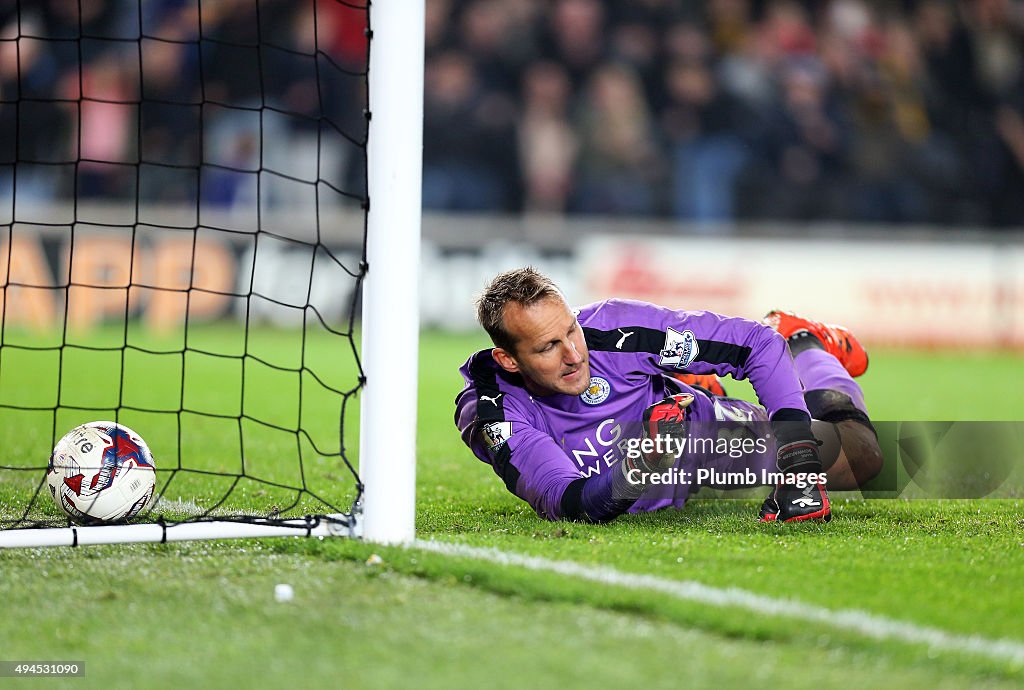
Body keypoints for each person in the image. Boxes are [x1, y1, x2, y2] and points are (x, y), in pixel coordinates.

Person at [454, 267, 883, 523]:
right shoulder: (494, 413)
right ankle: (689, 385)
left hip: (699, 434)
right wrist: (638, 469)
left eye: (572, 331)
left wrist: (798, 458)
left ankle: (807, 342)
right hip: (655, 461)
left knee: (864, 459)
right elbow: (567, 501)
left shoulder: (616, 331)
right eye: (548, 347)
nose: (573, 355)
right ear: (508, 360)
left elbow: (756, 344)